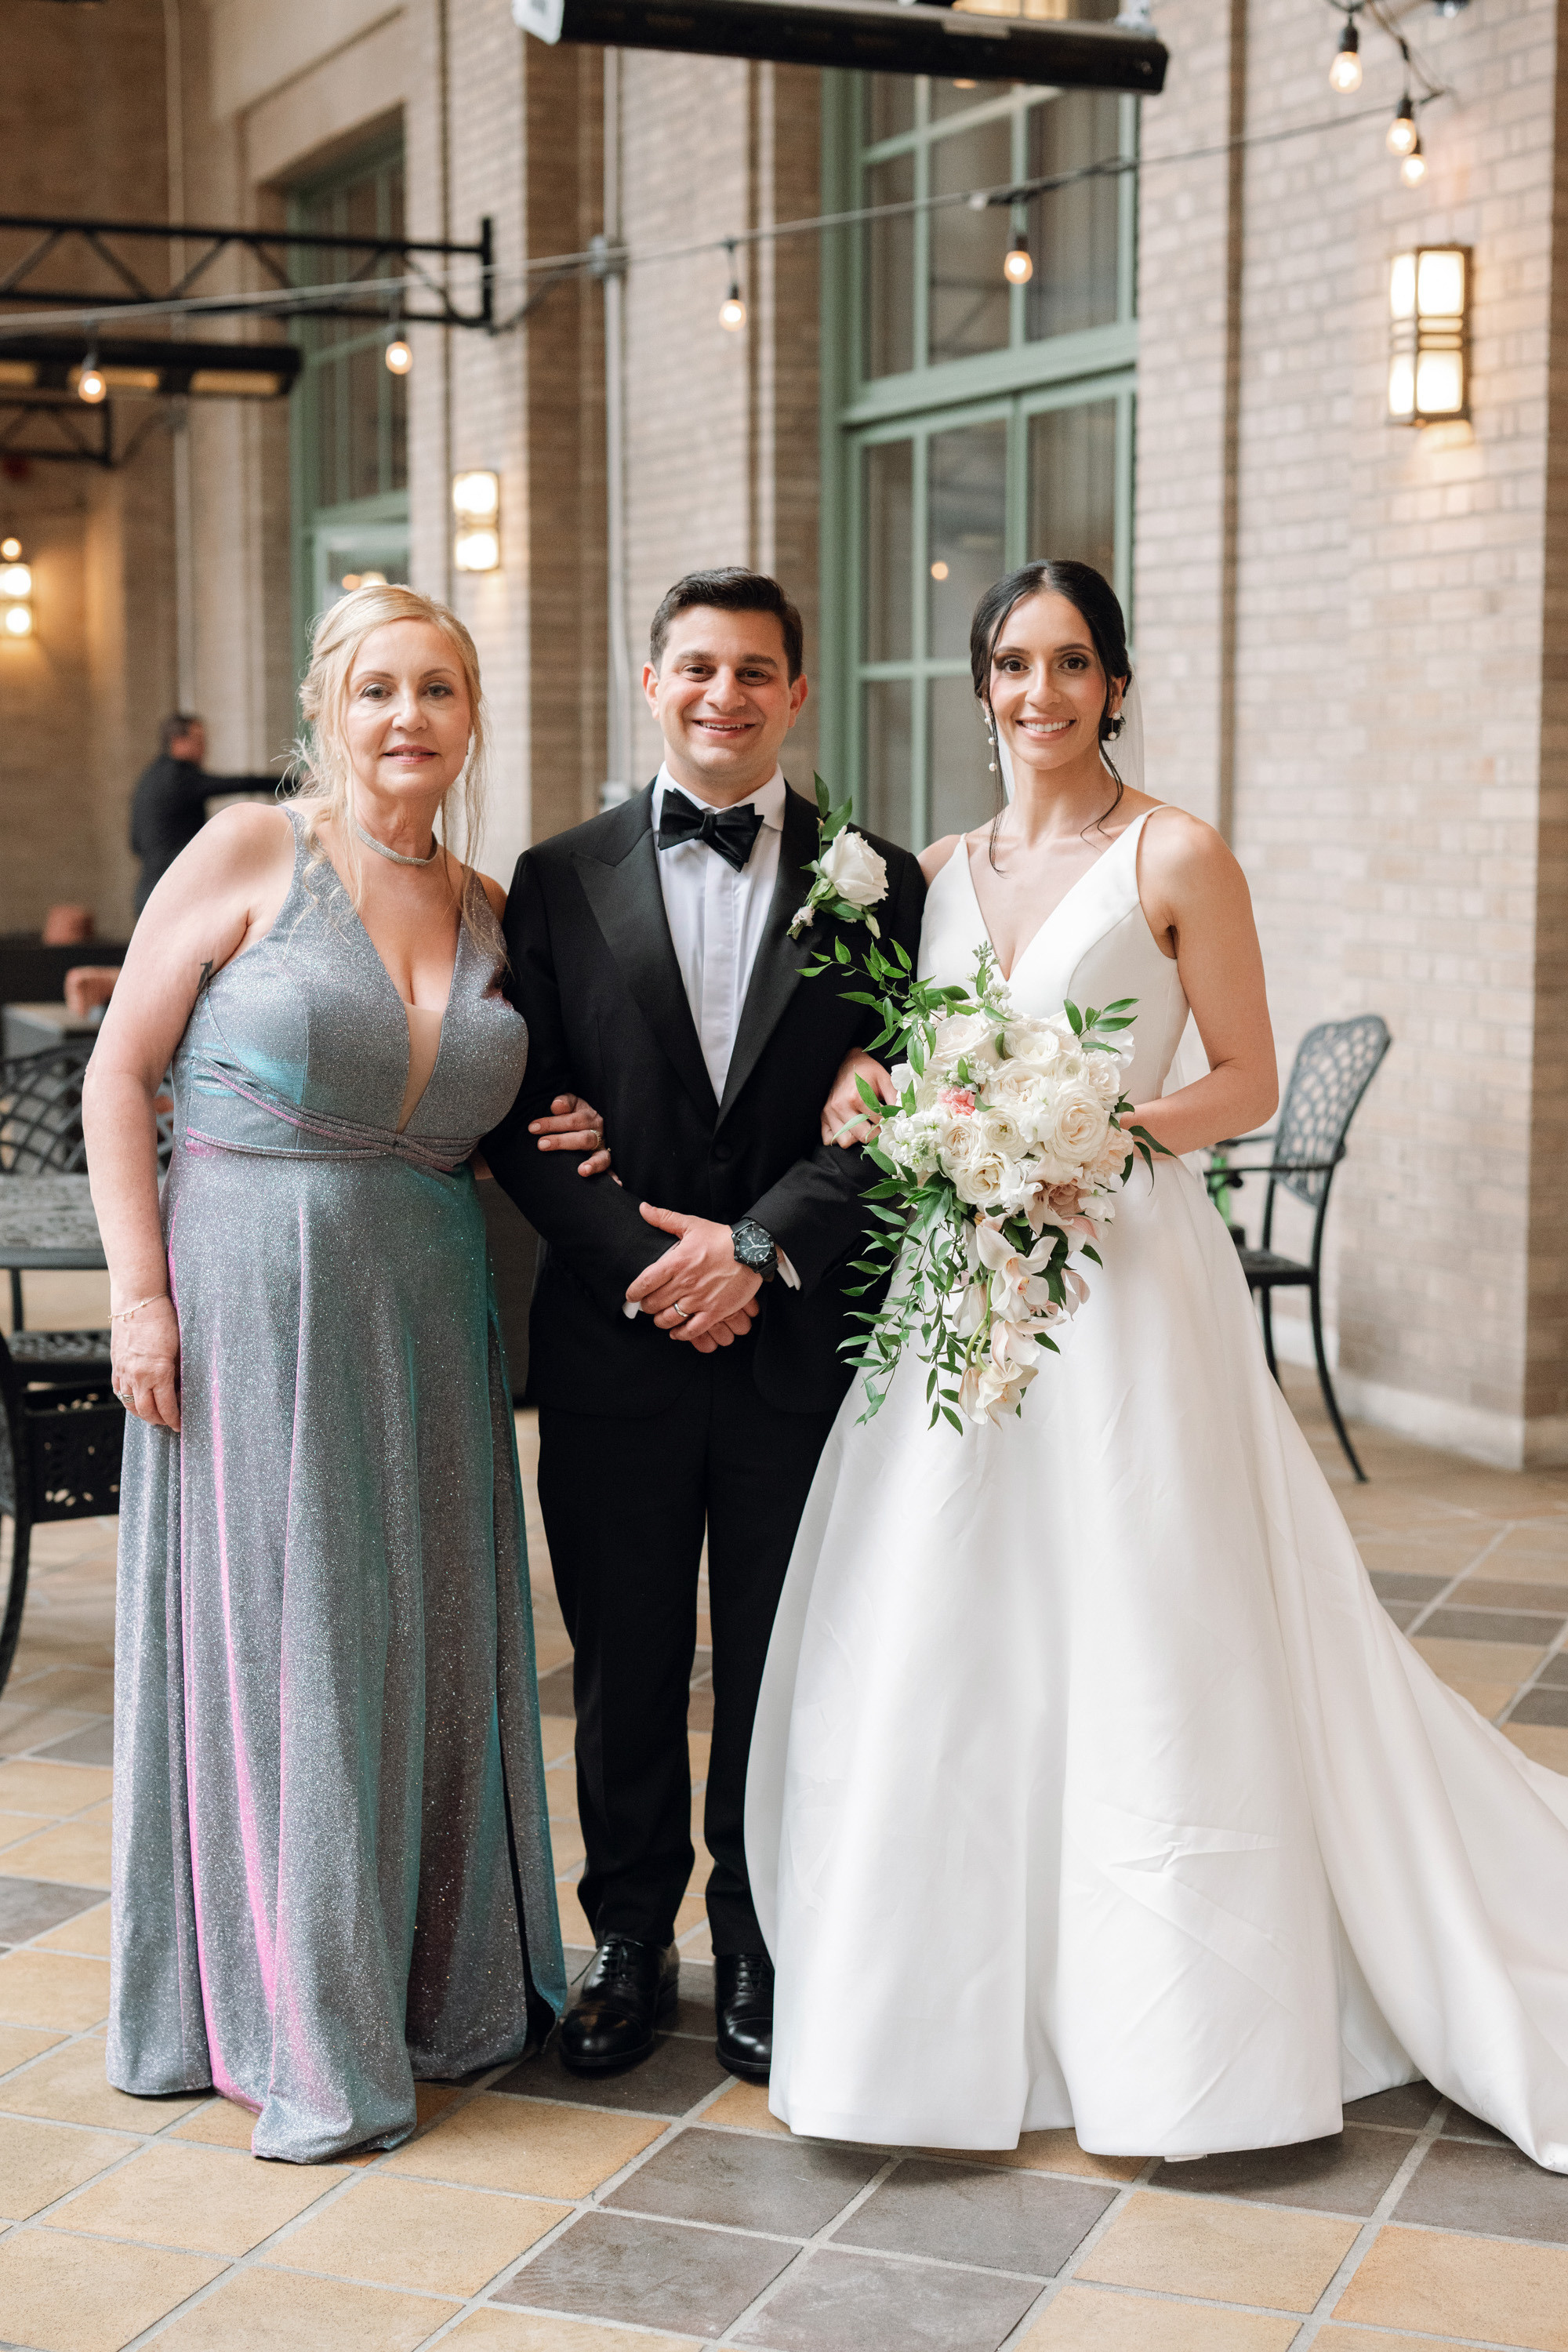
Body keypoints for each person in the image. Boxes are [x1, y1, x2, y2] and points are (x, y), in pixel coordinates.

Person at [746, 559, 1568, 2169]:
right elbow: (921, 1047)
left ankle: (1178, 2028)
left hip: (1123, 1275)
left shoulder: (1176, 851)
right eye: (1009, 664)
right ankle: (937, 2013)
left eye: (1068, 664)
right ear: (978, 686)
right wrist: (882, 1088)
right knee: (954, 1612)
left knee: (1144, 1603)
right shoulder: (938, 870)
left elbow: (1246, 1076)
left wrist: (1092, 1129)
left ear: (1115, 685)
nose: (1037, 693)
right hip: (966, 1277)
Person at [89, 583, 601, 2162]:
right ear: (328, 704)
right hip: (250, 1296)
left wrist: (588, 1131)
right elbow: (121, 1066)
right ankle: (302, 2019)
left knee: (431, 1638)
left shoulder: (494, 905)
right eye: (380, 689)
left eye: (439, 690)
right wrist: (138, 1296)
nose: (408, 719)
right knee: (292, 1641)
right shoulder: (254, 851)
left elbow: (528, 1110)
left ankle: (438, 1988)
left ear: (469, 720)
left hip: (431, 1307)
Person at [484, 568, 926, 2083]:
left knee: (774, 1652)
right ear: (650, 679)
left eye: (755, 671)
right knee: (621, 1649)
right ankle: (625, 1938)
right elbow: (523, 1119)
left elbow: (901, 1110)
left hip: (798, 1338)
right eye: (696, 667)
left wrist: (758, 1252)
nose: (723, 695)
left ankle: (755, 1933)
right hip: (615, 1341)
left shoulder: (887, 881)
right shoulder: (553, 877)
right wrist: (654, 1269)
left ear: (799, 691)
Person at [129, 714, 284, 913]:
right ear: (178, 741)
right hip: (176, 893)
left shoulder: (149, 778)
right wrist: (296, 782)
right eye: (199, 739)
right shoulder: (179, 777)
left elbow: (135, 843)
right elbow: (240, 783)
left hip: (148, 892)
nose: (205, 747)